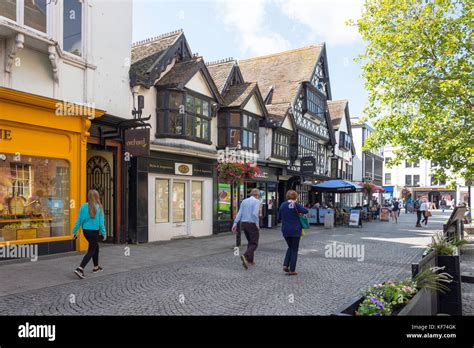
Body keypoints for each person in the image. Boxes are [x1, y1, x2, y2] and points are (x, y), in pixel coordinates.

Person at [72, 190, 107, 279]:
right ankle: (80, 268)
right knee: (91, 250)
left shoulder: (83, 207)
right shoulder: (99, 207)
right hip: (94, 232)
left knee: (96, 247)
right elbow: (101, 223)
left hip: (86, 232)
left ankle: (96, 267)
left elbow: (79, 221)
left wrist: (74, 232)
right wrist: (104, 233)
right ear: (97, 197)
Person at [278, 190, 308, 276]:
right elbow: (305, 211)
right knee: (294, 249)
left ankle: (285, 264)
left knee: (290, 247)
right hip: (295, 230)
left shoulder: (283, 205)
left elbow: (279, 217)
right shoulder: (296, 204)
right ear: (295, 197)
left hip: (285, 230)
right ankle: (292, 269)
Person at [232, 188, 261, 269]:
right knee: (254, 243)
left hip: (244, 224)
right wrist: (257, 224)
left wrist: (235, 223)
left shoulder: (244, 201)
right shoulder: (257, 201)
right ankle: (245, 256)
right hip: (252, 224)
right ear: (257, 195)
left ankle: (250, 260)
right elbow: (255, 214)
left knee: (250, 242)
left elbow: (240, 212)